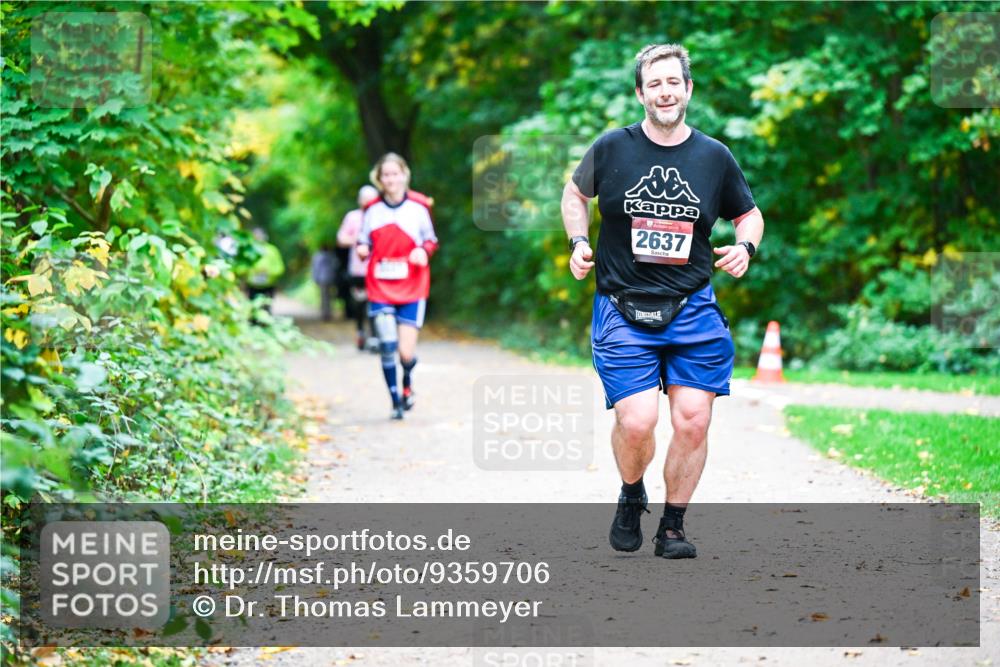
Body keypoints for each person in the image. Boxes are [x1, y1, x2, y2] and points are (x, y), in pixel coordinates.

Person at [561, 44, 764, 559]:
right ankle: (632, 494)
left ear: (688, 89)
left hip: (692, 305)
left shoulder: (714, 156)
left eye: (674, 82)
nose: (665, 91)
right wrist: (578, 243)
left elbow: (750, 215)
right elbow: (574, 195)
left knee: (693, 418)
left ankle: (672, 525)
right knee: (637, 421)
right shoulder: (612, 148)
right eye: (655, 84)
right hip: (622, 304)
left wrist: (745, 248)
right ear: (640, 93)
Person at [356, 154, 438, 420]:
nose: (391, 179)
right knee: (387, 344)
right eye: (385, 175)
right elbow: (362, 239)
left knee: (405, 352)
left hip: (412, 286)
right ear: (379, 179)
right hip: (380, 286)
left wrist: (423, 252)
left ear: (404, 175)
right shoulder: (372, 209)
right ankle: (394, 401)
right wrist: (362, 248)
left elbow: (430, 240)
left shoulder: (419, 206)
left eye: (395, 173)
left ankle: (406, 384)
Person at [338, 185, 380, 349]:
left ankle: (375, 337)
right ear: (359, 200)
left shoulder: (381, 216)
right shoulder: (352, 217)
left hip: (379, 270)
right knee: (360, 304)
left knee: (377, 302)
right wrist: (359, 239)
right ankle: (361, 332)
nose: (368, 202)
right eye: (365, 199)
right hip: (358, 270)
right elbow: (341, 239)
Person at [246, 227, 285, 314]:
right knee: (253, 309)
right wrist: (252, 271)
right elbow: (242, 267)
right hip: (253, 285)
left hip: (268, 285)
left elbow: (280, 268)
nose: (258, 238)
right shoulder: (248, 249)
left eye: (260, 235)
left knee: (266, 308)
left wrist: (269, 272)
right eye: (256, 235)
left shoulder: (272, 250)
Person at [311, 244, 339, 322]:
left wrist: (315, 278)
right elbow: (335, 266)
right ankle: (328, 313)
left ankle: (325, 313)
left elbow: (315, 268)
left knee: (324, 297)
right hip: (330, 278)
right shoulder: (331, 256)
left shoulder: (317, 256)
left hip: (322, 279)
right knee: (329, 297)